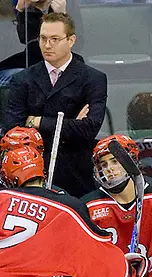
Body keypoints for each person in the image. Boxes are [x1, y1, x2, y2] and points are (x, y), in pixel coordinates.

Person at [0, 146, 148, 277]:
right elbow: (104, 267)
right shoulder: (65, 212)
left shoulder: (2, 199)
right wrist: (129, 275)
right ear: (42, 173)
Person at [5, 12, 106, 197]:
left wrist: (36, 121)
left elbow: (89, 129)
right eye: (43, 38)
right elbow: (13, 130)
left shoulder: (94, 79)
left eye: (55, 39)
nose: (47, 45)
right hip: (32, 172)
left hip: (77, 173)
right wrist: (69, 124)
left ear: (71, 40)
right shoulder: (22, 79)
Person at [81, 134, 152, 277]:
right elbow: (82, 260)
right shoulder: (87, 207)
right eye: (103, 165)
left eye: (114, 161)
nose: (109, 169)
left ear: (133, 161)